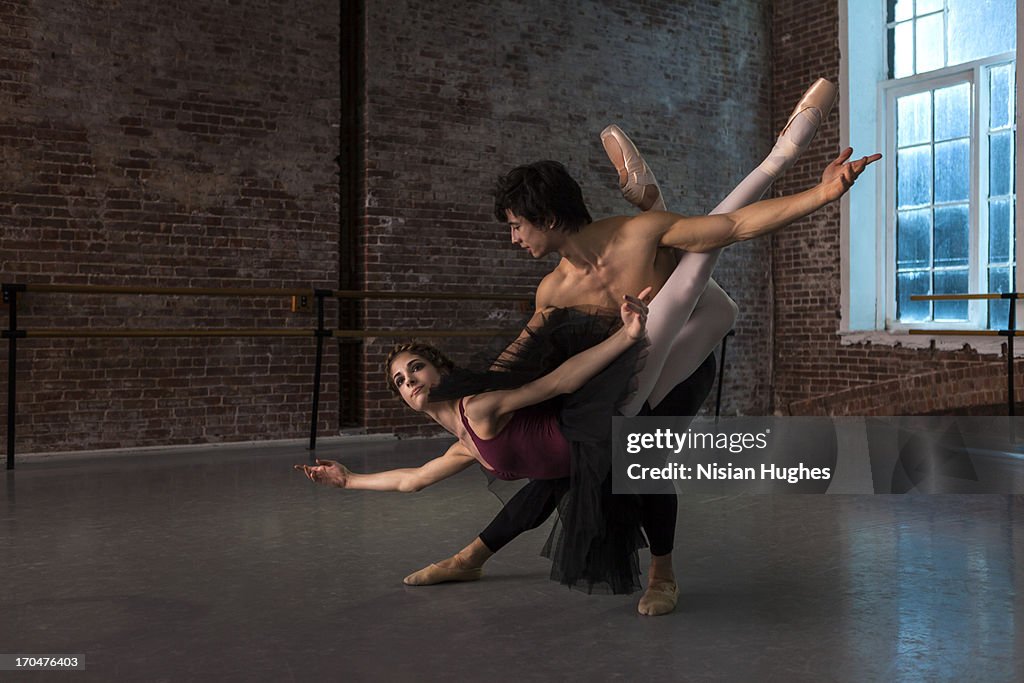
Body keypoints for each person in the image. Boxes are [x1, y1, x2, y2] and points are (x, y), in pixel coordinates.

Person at [298, 139, 879, 606]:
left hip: (677, 356)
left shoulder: (634, 235)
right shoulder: (552, 289)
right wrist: (465, 400)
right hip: (612, 372)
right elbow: (519, 362)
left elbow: (734, 228)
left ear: (547, 218)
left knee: (641, 453)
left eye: (517, 226)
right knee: (565, 462)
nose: (513, 238)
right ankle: (472, 557)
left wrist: (825, 194)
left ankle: (663, 574)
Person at [298, 289, 653, 594]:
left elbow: (557, 382)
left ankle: (467, 561)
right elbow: (414, 480)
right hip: (583, 467)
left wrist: (627, 336)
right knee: (543, 491)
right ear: (404, 398)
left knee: (685, 308)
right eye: (401, 381)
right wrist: (348, 480)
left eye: (416, 367)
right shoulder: (465, 446)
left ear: (441, 369)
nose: (410, 380)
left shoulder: (480, 409)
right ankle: (467, 561)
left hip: (612, 435)